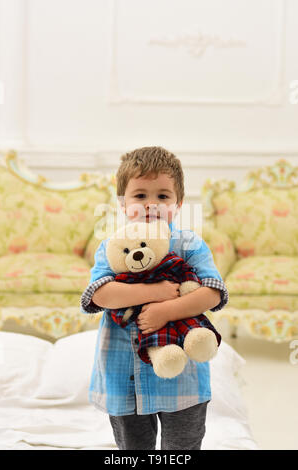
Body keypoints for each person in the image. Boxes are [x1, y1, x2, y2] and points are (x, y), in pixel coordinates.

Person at [80, 146, 229, 450]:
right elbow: (103, 294)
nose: (151, 204)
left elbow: (212, 292)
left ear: (178, 204)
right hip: (125, 377)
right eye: (140, 196)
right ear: (123, 203)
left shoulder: (188, 244)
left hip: (182, 376)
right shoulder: (112, 246)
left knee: (182, 447)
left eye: (162, 196)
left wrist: (167, 310)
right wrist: (156, 292)